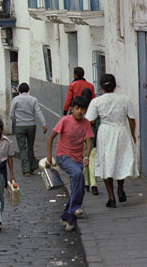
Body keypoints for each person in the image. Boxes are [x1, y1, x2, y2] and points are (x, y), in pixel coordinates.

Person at [85, 73, 138, 208]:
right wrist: (132, 134)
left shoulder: (96, 101)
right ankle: (120, 189)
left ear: (101, 87)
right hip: (121, 131)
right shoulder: (125, 99)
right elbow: (131, 119)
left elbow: (90, 120)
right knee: (120, 160)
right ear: (115, 85)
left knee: (106, 162)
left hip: (106, 132)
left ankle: (111, 196)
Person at [47, 96, 94, 231]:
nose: (79, 111)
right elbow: (50, 138)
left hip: (77, 159)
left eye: (82, 109)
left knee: (77, 185)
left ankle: (66, 217)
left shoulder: (86, 123)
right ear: (72, 109)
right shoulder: (64, 121)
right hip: (63, 156)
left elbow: (89, 141)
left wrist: (87, 157)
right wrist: (50, 157)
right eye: (77, 108)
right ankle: (75, 208)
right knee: (77, 174)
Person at [9, 82, 47, 176]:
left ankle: (26, 170)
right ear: (28, 90)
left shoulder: (16, 99)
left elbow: (11, 114)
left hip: (20, 126)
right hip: (31, 125)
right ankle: (32, 167)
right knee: (30, 147)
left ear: (19, 91)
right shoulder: (33, 99)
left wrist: (16, 121)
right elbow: (38, 112)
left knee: (22, 148)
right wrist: (44, 124)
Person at [81, 88, 99, 195]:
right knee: (91, 160)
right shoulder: (95, 108)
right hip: (93, 137)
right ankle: (94, 184)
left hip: (82, 137)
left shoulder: (79, 109)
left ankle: (86, 183)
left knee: (84, 159)